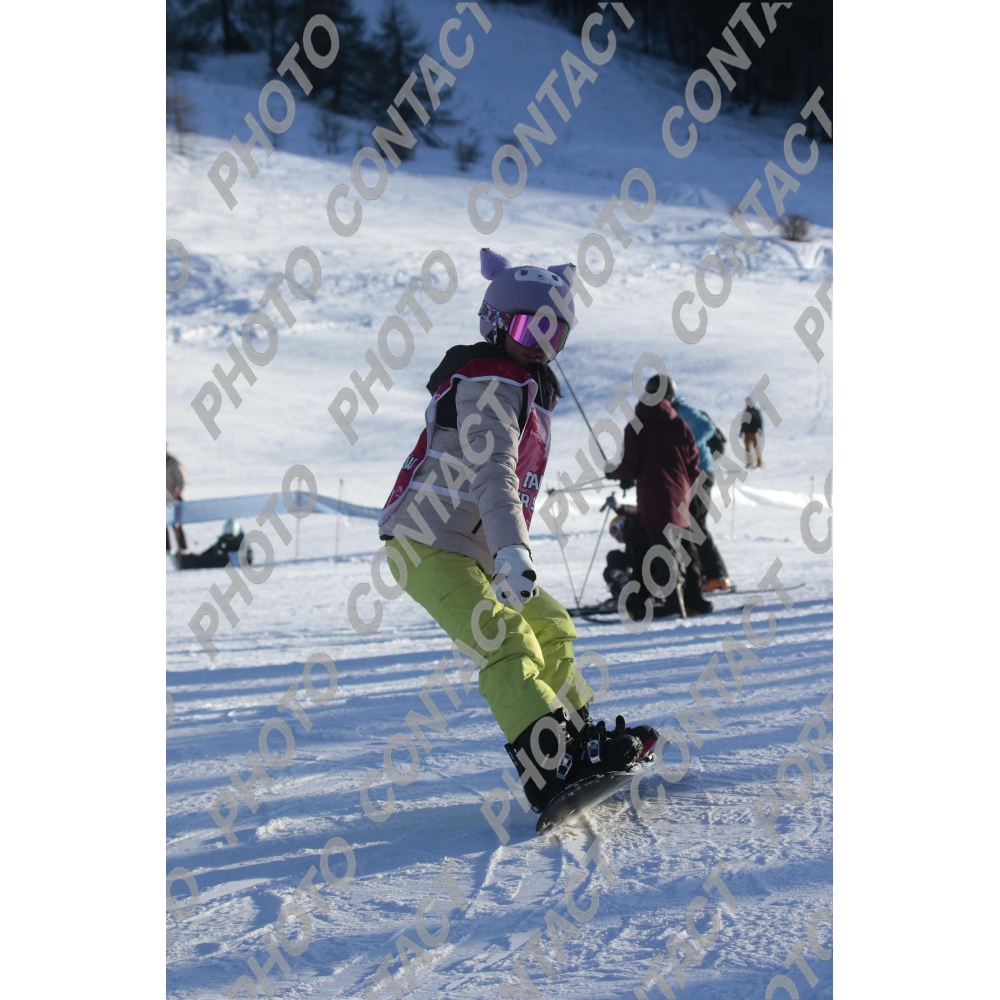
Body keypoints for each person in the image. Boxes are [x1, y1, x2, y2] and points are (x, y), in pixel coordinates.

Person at [377, 248, 659, 814]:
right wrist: (511, 549)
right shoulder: (489, 382)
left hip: (472, 546)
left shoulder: (524, 385)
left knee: (550, 625)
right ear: (497, 323)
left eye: (556, 333)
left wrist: (500, 548)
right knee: (506, 640)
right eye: (531, 328)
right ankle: (550, 765)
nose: (541, 344)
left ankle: (578, 738)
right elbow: (493, 470)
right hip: (426, 542)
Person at [606, 378, 714, 618]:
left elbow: (630, 464)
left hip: (655, 499)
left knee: (664, 551)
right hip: (682, 497)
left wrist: (614, 472)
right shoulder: (679, 424)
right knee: (684, 548)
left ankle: (675, 605)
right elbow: (693, 463)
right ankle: (693, 600)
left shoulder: (637, 425)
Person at [662, 377, 732, 593]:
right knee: (689, 524)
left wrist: (687, 446)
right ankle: (704, 575)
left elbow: (706, 427)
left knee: (696, 523)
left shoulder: (682, 410)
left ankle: (717, 575)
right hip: (690, 475)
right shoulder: (671, 413)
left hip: (700, 472)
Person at [176, 519, 250, 570]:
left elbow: (247, 555)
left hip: (236, 559)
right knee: (211, 551)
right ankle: (196, 558)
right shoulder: (224, 538)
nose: (229, 538)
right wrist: (217, 551)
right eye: (227, 536)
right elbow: (216, 547)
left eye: (230, 536)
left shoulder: (242, 540)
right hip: (226, 556)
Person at [166, 446, 187, 553]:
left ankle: (182, 547)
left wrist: (177, 494)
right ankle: (166, 548)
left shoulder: (173, 463)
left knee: (176, 524)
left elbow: (181, 481)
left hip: (174, 498)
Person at [741, 398, 765, 469]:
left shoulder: (755, 411)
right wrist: (742, 431)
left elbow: (760, 422)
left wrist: (760, 431)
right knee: (747, 448)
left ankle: (760, 463)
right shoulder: (746, 411)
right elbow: (743, 423)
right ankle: (749, 463)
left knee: (757, 448)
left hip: (754, 432)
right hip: (747, 433)